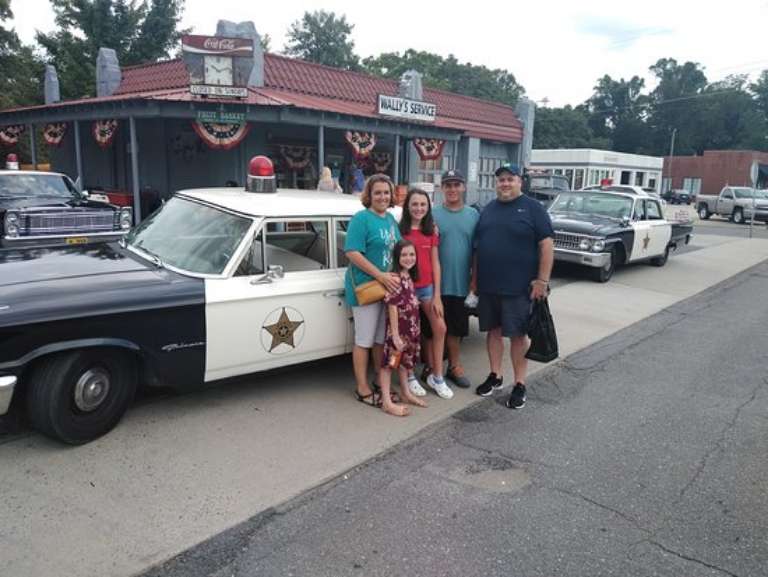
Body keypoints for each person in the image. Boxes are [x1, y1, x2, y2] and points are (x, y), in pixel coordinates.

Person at [474, 163, 554, 409]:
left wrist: (542, 280)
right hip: (489, 286)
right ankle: (495, 375)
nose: (505, 183)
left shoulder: (533, 208)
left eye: (510, 179)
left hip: (519, 288)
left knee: (518, 336)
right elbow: (478, 247)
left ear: (520, 181)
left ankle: (520, 383)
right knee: (493, 332)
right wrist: (474, 282)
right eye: (501, 180)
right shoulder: (488, 209)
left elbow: (547, 245)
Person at [344, 174, 402, 410]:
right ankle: (362, 387)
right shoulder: (361, 219)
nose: (382, 197)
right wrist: (380, 275)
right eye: (377, 192)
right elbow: (352, 252)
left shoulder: (390, 219)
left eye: (386, 192)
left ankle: (380, 381)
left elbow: (398, 249)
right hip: (366, 287)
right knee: (364, 340)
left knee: (379, 339)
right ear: (369, 194)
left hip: (386, 289)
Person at [400, 188, 452, 400]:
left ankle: (437, 376)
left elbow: (435, 262)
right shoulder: (400, 230)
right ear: (407, 206)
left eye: (423, 204)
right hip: (408, 289)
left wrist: (437, 295)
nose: (419, 208)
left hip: (428, 289)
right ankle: (410, 375)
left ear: (428, 207)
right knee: (410, 333)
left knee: (440, 327)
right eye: (414, 204)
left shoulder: (431, 231)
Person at [432, 169, 479, 389]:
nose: (452, 189)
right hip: (435, 285)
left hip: (461, 283)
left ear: (464, 187)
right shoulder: (432, 214)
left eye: (456, 185)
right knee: (432, 329)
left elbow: (477, 252)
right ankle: (432, 367)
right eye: (448, 185)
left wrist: (474, 281)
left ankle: (454, 366)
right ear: (442, 188)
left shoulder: (473, 215)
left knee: (455, 329)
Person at [378, 240, 429, 416]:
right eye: (404, 255)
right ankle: (387, 402)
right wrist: (395, 335)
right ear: (397, 257)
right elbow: (392, 306)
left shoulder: (408, 276)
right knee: (389, 364)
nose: (409, 258)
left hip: (411, 330)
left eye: (412, 254)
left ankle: (406, 393)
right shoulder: (395, 278)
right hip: (398, 332)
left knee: (405, 363)